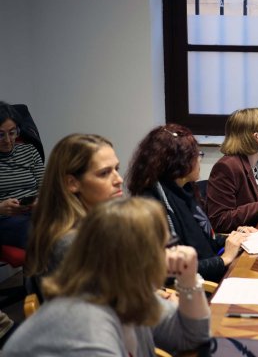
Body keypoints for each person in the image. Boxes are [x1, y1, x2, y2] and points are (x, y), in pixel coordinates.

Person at [4, 197, 211, 356]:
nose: (172, 253)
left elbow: (193, 335)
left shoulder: (125, 293)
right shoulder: (87, 328)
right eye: (166, 245)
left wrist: (188, 279)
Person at [128, 124, 254, 282]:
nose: (199, 160)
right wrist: (224, 259)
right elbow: (168, 271)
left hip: (215, 275)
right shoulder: (153, 205)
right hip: (200, 289)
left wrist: (239, 238)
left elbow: (207, 241)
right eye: (197, 155)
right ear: (178, 162)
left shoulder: (185, 190)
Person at [25, 134, 123, 293]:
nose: (119, 179)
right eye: (104, 173)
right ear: (72, 183)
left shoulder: (95, 226)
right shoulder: (71, 244)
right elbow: (104, 309)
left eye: (116, 169)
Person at [0, 101, 44, 250]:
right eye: (0, 135)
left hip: (35, 213)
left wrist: (38, 200)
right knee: (39, 233)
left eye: (12, 133)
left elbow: (45, 187)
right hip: (5, 220)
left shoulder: (29, 151)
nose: (7, 140)